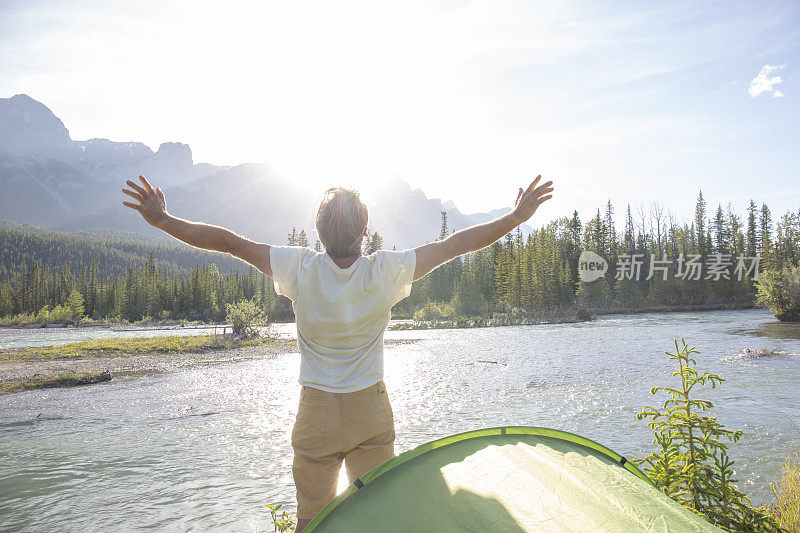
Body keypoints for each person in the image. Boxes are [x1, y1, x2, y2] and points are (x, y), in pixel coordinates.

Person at [122, 174, 553, 531]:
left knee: (311, 522)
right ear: (364, 233)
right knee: (379, 520)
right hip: (371, 409)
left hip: (316, 414)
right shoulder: (386, 271)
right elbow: (456, 246)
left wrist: (163, 221)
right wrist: (516, 217)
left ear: (319, 233)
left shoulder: (299, 266)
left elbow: (229, 242)